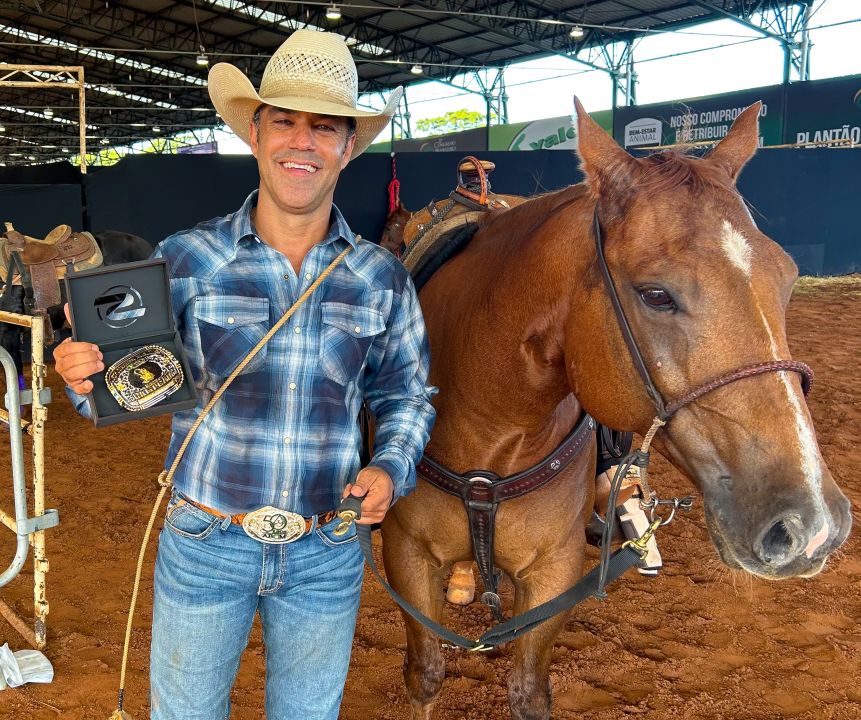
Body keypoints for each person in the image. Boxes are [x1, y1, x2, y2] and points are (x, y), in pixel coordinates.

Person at [53, 29, 436, 720]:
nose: (302, 143)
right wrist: (86, 380)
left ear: (348, 147)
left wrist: (391, 465)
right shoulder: (188, 258)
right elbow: (128, 381)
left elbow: (404, 393)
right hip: (206, 539)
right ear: (254, 135)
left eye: (324, 127)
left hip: (326, 545)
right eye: (283, 122)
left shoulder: (381, 277)